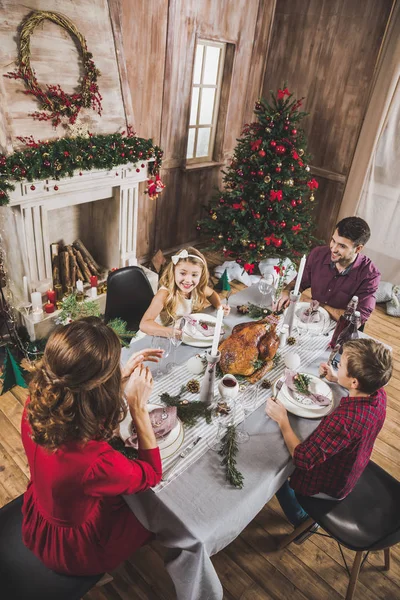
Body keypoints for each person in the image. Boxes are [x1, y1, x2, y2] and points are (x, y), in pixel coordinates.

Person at [21, 317, 164, 576]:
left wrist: (117, 381)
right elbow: (151, 474)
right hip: (73, 549)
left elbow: (79, 415)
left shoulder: (36, 405)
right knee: (153, 518)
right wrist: (138, 408)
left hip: (41, 513)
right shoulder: (97, 463)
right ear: (97, 387)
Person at [266, 338, 392, 543]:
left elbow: (303, 458)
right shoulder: (378, 394)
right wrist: (336, 379)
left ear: (354, 382)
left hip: (329, 486)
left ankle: (300, 518)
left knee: (274, 474)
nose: (337, 365)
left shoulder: (345, 421)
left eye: (340, 365)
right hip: (355, 466)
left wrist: (282, 420)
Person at [276, 217, 380, 324]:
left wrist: (320, 306)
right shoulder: (318, 254)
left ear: (358, 249)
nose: (333, 249)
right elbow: (299, 282)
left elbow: (356, 320)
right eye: (333, 241)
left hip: (340, 327)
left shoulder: (370, 275)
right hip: (311, 320)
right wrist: (287, 291)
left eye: (342, 246)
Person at [140, 247, 230, 338]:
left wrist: (219, 306)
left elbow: (212, 294)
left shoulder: (197, 288)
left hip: (180, 335)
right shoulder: (164, 294)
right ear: (174, 271)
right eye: (183, 273)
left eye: (194, 275)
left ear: (201, 275)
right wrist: (173, 332)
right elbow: (144, 325)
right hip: (156, 336)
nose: (188, 280)